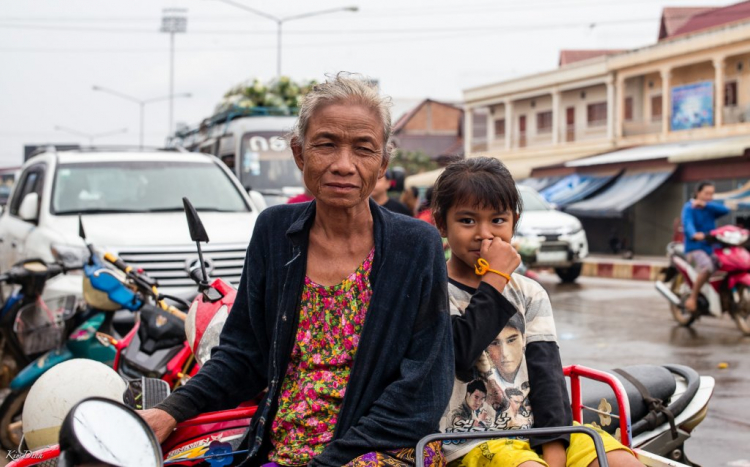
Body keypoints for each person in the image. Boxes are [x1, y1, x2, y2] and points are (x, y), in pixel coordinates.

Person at [140, 74, 453, 467]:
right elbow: (243, 354)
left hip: (383, 450)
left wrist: (328, 461)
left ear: (383, 163)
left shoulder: (416, 244)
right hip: (283, 450)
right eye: (326, 144)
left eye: (363, 149)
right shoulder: (274, 231)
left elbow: (422, 390)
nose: (344, 165)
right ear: (300, 153)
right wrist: (171, 410)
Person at [433, 157, 641, 467]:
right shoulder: (433, 290)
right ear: (441, 224)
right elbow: (461, 353)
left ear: (514, 222)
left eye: (498, 221)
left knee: (624, 462)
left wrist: (555, 449)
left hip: (540, 432)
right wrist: (495, 279)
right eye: (467, 221)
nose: (484, 234)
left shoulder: (529, 292)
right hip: (470, 442)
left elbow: (547, 375)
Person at [682, 181, 731, 314]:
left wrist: (706, 205)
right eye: (706, 193)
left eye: (711, 194)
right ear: (698, 192)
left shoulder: (709, 207)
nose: (709, 196)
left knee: (727, 265)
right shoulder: (689, 207)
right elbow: (688, 224)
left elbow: (726, 210)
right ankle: (693, 297)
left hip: (711, 247)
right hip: (695, 247)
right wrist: (694, 234)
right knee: (708, 267)